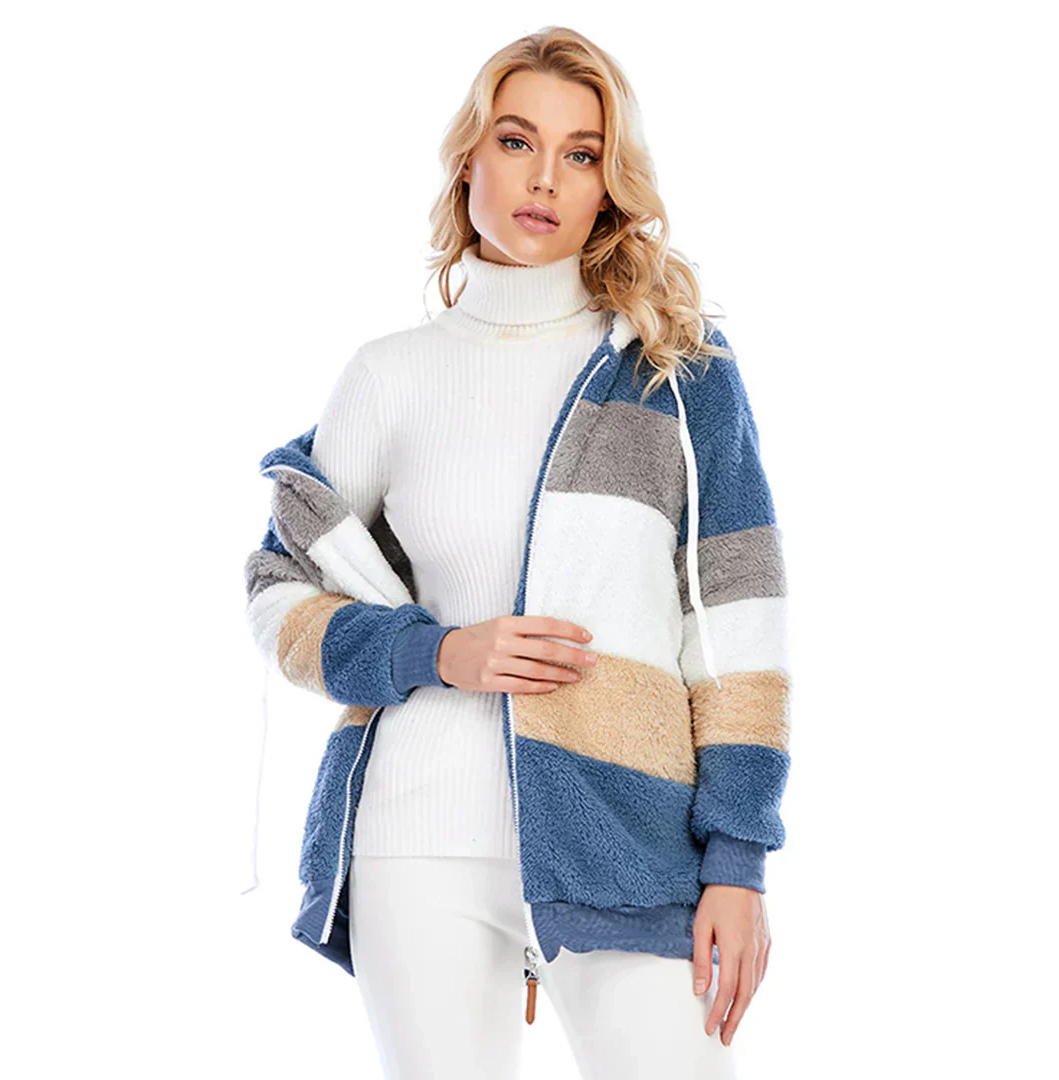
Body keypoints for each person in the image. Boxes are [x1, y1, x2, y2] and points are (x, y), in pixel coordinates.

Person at [243, 25, 791, 1080]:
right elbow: (277, 588)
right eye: (515, 140)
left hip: (630, 835)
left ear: (609, 186)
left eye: (582, 153)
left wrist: (739, 856)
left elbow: (737, 625)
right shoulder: (389, 377)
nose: (545, 178)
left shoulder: (675, 374)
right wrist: (438, 652)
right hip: (418, 834)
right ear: (468, 160)